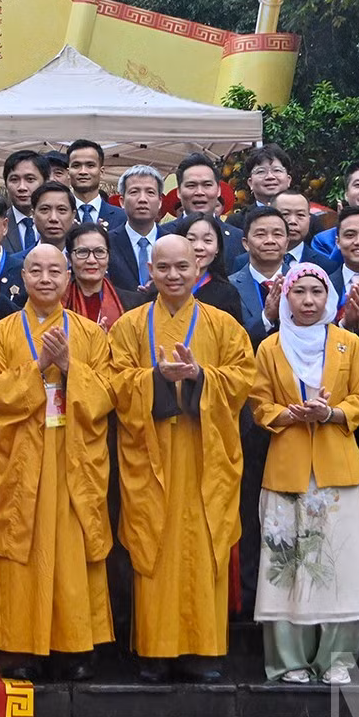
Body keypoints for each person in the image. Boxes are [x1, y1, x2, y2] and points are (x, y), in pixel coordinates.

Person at [108, 234, 255, 683]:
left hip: (204, 454)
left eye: (182, 267)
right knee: (153, 543)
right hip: (150, 454)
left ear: (199, 269)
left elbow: (243, 377)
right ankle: (154, 650)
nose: (173, 276)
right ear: (149, 272)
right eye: (163, 268)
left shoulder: (223, 325)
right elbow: (114, 382)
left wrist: (199, 377)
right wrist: (154, 378)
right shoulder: (129, 326)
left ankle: (203, 651)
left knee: (203, 545)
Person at [0, 242, 114, 680]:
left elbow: (109, 393)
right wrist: (38, 366)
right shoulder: (0, 333)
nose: (46, 279)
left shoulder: (89, 335)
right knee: (21, 549)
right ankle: (17, 648)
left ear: (68, 277)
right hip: (21, 457)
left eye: (55, 271)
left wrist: (71, 367)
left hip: (72, 454)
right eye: (37, 270)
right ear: (23, 277)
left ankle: (74, 647)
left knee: (71, 550)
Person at [250, 263, 359, 685]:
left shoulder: (348, 344)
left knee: (341, 564)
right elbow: (258, 404)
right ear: (285, 297)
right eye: (299, 292)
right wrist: (287, 413)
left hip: (338, 467)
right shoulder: (270, 347)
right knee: (286, 566)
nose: (308, 301)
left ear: (329, 298)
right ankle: (289, 661)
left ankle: (338, 660)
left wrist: (332, 412)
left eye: (316, 293)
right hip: (286, 466)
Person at [140, 212, 246, 328]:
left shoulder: (228, 293)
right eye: (191, 239)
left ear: (217, 248)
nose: (198, 247)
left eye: (207, 241)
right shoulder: (160, 288)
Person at [165, 154, 244, 269]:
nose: (199, 192)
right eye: (191, 185)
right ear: (179, 192)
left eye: (207, 185)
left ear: (218, 190)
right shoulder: (163, 235)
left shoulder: (237, 238)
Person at [231, 207, 294, 344]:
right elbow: (229, 340)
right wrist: (266, 318)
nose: (270, 240)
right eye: (260, 235)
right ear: (246, 244)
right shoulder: (229, 288)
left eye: (277, 234)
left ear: (287, 243)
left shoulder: (303, 282)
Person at [61, 222, 131, 332]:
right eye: (82, 252)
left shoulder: (131, 303)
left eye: (99, 252)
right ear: (69, 258)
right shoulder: (59, 302)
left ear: (108, 257)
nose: (91, 260)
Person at [107, 165, 165, 292]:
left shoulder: (173, 241)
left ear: (160, 201)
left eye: (150, 192)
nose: (142, 199)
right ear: (121, 201)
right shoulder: (107, 243)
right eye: (134, 192)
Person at [67, 140, 127, 231]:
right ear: (68, 172)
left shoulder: (122, 217)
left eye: (90, 165)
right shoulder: (60, 216)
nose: (83, 171)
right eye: (76, 165)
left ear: (101, 172)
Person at [0, 150, 52, 255]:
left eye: (30, 179)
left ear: (46, 182)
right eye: (14, 180)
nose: (22, 187)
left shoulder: (58, 223)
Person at [230, 146, 297, 222]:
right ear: (250, 183)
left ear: (288, 180)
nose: (270, 176)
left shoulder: (307, 220)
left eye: (277, 170)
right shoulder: (236, 222)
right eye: (261, 171)